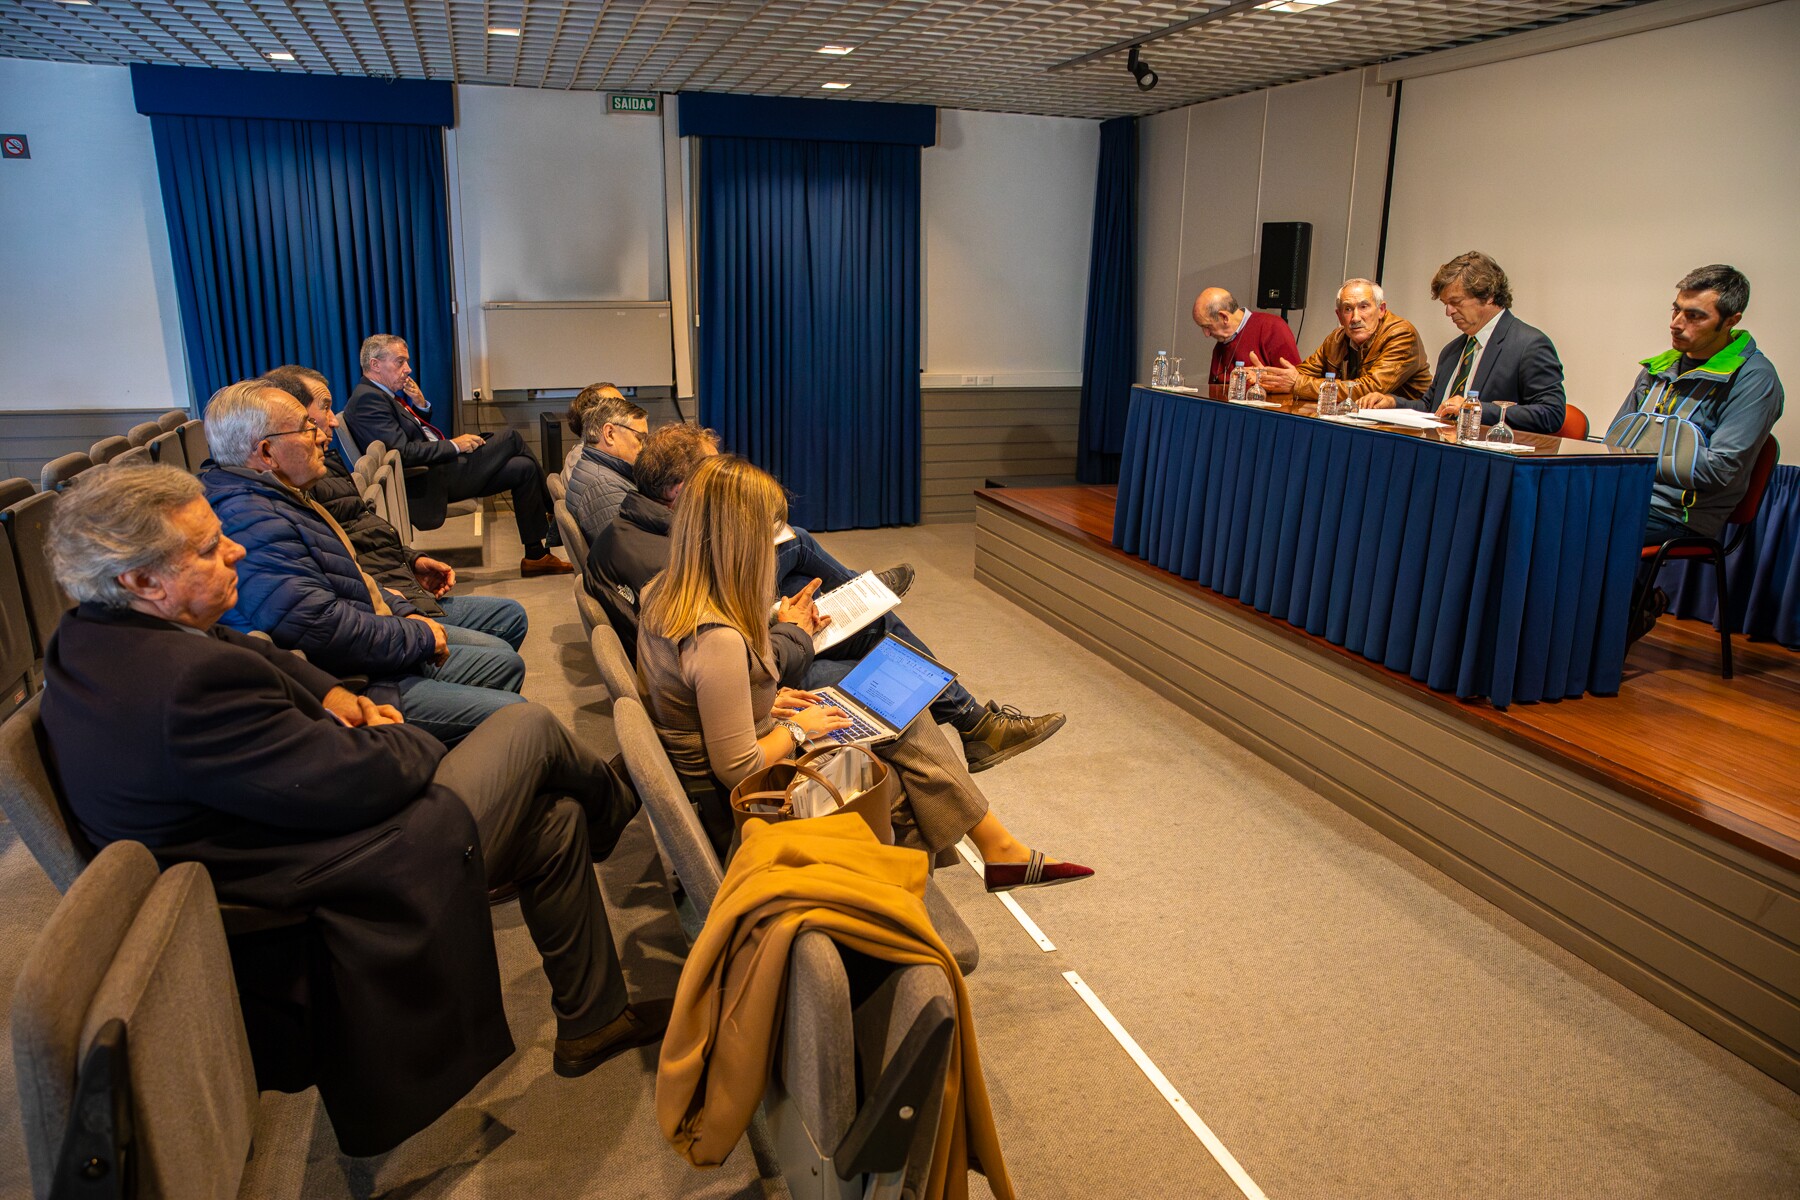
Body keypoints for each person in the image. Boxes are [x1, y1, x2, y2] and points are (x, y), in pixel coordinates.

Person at [38, 464, 662, 1152]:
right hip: (334, 884)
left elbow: (249, 650)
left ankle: (594, 1020)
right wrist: (402, 730)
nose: (235, 550)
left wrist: (331, 693)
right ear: (141, 579)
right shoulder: (185, 689)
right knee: (527, 726)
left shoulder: (95, 636)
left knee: (554, 821)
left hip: (298, 847)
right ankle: (619, 806)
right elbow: (357, 785)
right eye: (210, 548)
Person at [635, 453, 1093, 893]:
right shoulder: (716, 639)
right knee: (899, 777)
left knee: (893, 711)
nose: (776, 547)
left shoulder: (663, 591)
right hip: (759, 798)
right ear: (739, 543)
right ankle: (914, 909)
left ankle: (994, 852)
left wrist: (765, 701)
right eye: (769, 535)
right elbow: (739, 769)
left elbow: (705, 699)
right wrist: (797, 728)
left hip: (748, 748)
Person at [595, 423, 1069, 773]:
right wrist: (789, 637)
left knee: (875, 634)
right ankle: (977, 768)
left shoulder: (667, 563)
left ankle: (980, 766)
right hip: (755, 711)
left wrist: (780, 625)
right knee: (898, 685)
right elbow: (737, 753)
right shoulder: (684, 596)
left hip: (744, 683)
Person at [201, 379, 526, 745]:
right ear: (267, 452)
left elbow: (353, 574)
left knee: (506, 662)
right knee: (519, 716)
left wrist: (404, 612)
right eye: (306, 429)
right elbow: (319, 627)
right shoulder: (253, 520)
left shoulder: (281, 495)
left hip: (374, 644)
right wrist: (416, 635)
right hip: (356, 682)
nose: (322, 434)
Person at [262, 364, 529, 651]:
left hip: (400, 587)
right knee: (512, 441)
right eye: (324, 409)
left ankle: (542, 545)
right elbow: (343, 587)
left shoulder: (328, 469)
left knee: (522, 467)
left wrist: (412, 560)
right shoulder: (296, 493)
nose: (333, 421)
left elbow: (363, 537)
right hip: (424, 491)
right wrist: (401, 607)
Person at [1610, 264, 1784, 639]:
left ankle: (1609, 629)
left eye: (1694, 316)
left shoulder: (1756, 380)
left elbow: (1719, 470)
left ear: (1731, 321)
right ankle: (1628, 607)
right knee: (1545, 511)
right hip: (1631, 497)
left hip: (1684, 513)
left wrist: (1641, 456)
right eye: (1675, 310)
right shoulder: (1660, 367)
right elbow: (1614, 442)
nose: (1676, 323)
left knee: (1582, 526)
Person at [343, 334, 572, 577]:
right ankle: (557, 513)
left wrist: (420, 404)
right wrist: (454, 445)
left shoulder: (379, 395)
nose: (408, 369)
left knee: (523, 468)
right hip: (430, 481)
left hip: (439, 470)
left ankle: (536, 556)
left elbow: (413, 434)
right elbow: (404, 452)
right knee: (511, 438)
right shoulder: (368, 399)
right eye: (400, 362)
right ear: (375, 364)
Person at [1416, 252, 1567, 435]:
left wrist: (1475, 409)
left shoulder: (1529, 345)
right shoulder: (1452, 350)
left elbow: (1551, 413)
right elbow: (1430, 406)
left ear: (1488, 296)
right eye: (1445, 304)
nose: (1449, 312)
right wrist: (1392, 402)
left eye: (1456, 302)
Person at [1256, 278, 1431, 409]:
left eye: (1364, 307)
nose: (1355, 318)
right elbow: (1300, 374)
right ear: (1339, 316)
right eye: (1348, 309)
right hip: (1357, 420)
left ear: (1381, 310)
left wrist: (1298, 384)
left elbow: (1369, 388)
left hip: (1408, 430)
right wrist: (1263, 377)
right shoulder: (1337, 338)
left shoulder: (1401, 334)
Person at [566, 383, 650, 544]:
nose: (645, 447)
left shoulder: (594, 467)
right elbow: (633, 549)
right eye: (640, 438)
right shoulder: (603, 486)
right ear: (609, 434)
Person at [1192, 287, 1300, 386]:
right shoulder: (1221, 344)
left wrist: (1263, 381)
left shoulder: (1273, 327)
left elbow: (1295, 383)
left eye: (1207, 326)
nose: (1206, 334)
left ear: (1224, 317)